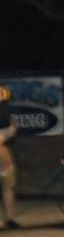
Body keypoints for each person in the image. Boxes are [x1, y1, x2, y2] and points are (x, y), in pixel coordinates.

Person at [0, 84, 19, 228]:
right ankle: (8, 219)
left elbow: (13, 128)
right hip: (3, 150)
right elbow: (12, 128)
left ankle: (10, 218)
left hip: (3, 152)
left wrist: (3, 136)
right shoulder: (8, 110)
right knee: (7, 186)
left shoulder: (8, 111)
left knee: (7, 185)